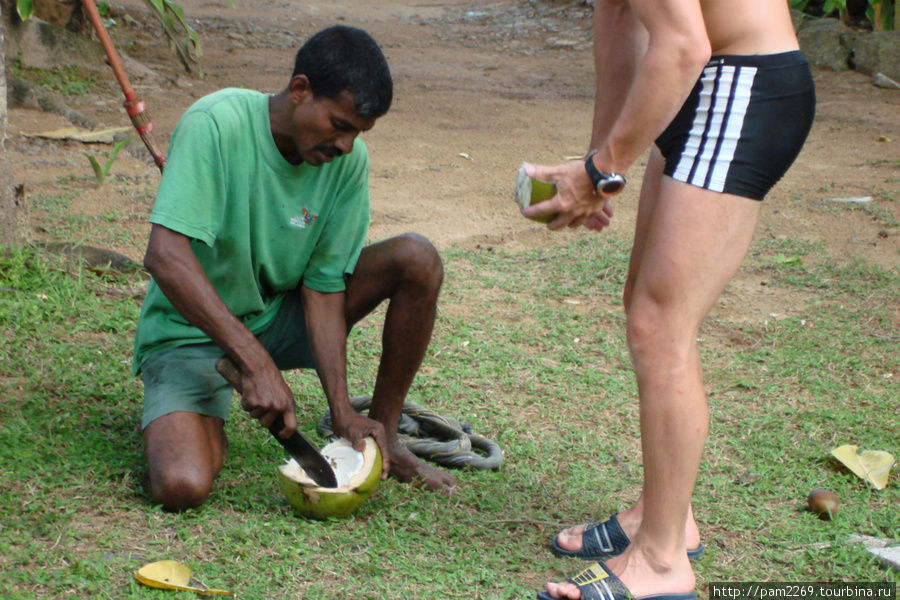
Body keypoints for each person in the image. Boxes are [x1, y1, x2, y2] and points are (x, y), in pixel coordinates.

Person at [522, 0, 815, 598]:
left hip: (739, 84)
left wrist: (602, 166)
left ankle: (660, 563)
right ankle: (665, 520)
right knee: (646, 308)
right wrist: (599, 159)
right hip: (703, 89)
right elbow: (618, 18)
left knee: (661, 327)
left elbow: (683, 46)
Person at [132, 25, 457, 512]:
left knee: (416, 257)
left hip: (278, 317)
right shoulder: (217, 124)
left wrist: (342, 411)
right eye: (339, 125)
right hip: (188, 332)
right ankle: (217, 388)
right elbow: (165, 256)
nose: (345, 145)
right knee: (182, 486)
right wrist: (255, 362)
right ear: (300, 90)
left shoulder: (345, 162)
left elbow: (323, 287)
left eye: (357, 134)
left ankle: (385, 437)